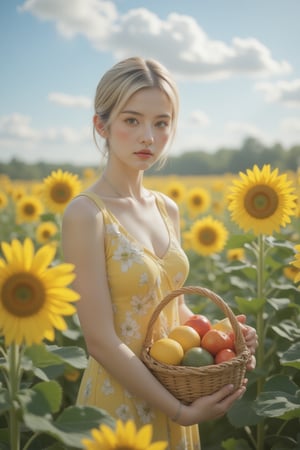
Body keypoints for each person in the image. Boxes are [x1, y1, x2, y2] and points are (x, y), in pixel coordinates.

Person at [61, 56, 258, 449]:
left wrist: (222, 336)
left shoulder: (167, 208)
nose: (148, 136)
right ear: (102, 125)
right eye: (132, 120)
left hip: (176, 390)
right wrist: (179, 411)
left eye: (161, 122)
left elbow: (169, 310)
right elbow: (99, 340)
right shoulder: (86, 213)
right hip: (121, 406)